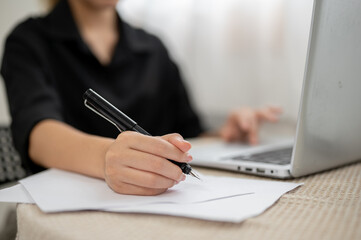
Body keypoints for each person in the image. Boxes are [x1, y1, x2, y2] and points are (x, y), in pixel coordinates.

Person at [1, 0, 282, 196]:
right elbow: (38, 134)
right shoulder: (27, 41)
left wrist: (224, 135)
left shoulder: (154, 47)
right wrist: (106, 157)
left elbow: (189, 134)